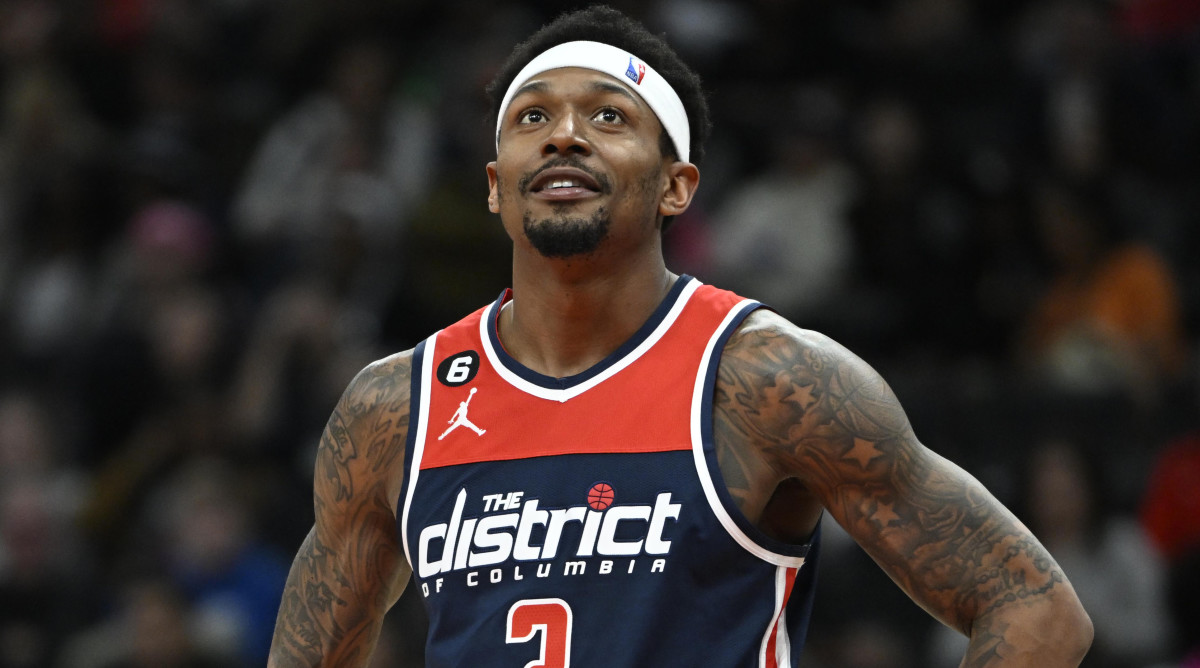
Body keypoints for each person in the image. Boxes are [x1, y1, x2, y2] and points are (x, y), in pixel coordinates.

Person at [267, 6, 1093, 667]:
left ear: (676, 184)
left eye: (607, 115)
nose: (564, 134)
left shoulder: (765, 378)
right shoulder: (395, 408)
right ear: (495, 187)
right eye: (532, 116)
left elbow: (1036, 608)